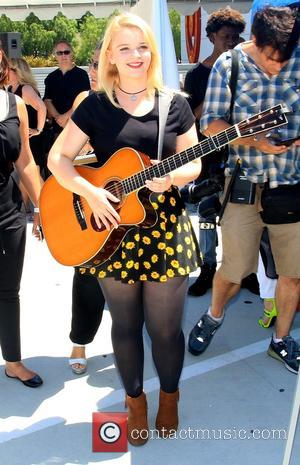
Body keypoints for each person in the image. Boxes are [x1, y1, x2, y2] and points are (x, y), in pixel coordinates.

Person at [48, 12, 201, 445]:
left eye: (143, 46)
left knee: (167, 329)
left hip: (164, 229)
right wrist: (91, 192)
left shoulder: (175, 104)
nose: (136, 55)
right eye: (125, 48)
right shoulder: (94, 105)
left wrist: (171, 177)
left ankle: (168, 397)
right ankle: (135, 401)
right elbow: (58, 160)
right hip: (110, 228)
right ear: (110, 57)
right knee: (126, 325)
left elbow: (195, 161)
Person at [188, 6, 300, 374]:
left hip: (292, 187)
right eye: (271, 58)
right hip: (244, 187)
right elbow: (210, 125)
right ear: (256, 40)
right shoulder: (229, 65)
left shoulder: (295, 59)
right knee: (234, 270)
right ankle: (214, 315)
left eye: (285, 60)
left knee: (293, 273)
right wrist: (256, 141)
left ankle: (281, 340)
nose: (277, 67)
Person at [184, 8, 261, 297]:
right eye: (225, 36)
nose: (231, 41)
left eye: (235, 36)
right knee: (206, 213)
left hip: (241, 152)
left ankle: (245, 271)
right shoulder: (196, 75)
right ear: (211, 36)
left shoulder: (248, 68)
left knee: (242, 215)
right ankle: (207, 269)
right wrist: (216, 93)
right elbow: (191, 117)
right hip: (208, 152)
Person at [0, 48, 43, 387]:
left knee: (7, 291)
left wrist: (44, 207)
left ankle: (13, 362)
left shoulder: (16, 106)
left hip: (8, 212)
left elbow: (25, 161)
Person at [69, 43, 106, 375]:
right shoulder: (85, 101)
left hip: (133, 199)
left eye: (98, 64)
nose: (92, 71)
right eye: (90, 65)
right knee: (87, 278)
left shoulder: (139, 101)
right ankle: (79, 340)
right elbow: (65, 156)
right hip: (89, 198)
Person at [8, 57, 47, 207]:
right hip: (23, 140)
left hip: (32, 139)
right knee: (30, 178)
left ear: (17, 71)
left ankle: (45, 208)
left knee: (33, 178)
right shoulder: (11, 89)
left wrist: (38, 129)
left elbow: (41, 107)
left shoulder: (25, 88)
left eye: (8, 69)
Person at [44, 39, 90, 140]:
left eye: (66, 52)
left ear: (71, 54)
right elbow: (47, 100)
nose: (63, 55)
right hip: (58, 126)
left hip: (78, 125)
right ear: (55, 55)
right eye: (60, 53)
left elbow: (84, 99)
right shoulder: (51, 77)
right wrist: (58, 118)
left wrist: (65, 117)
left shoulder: (81, 75)